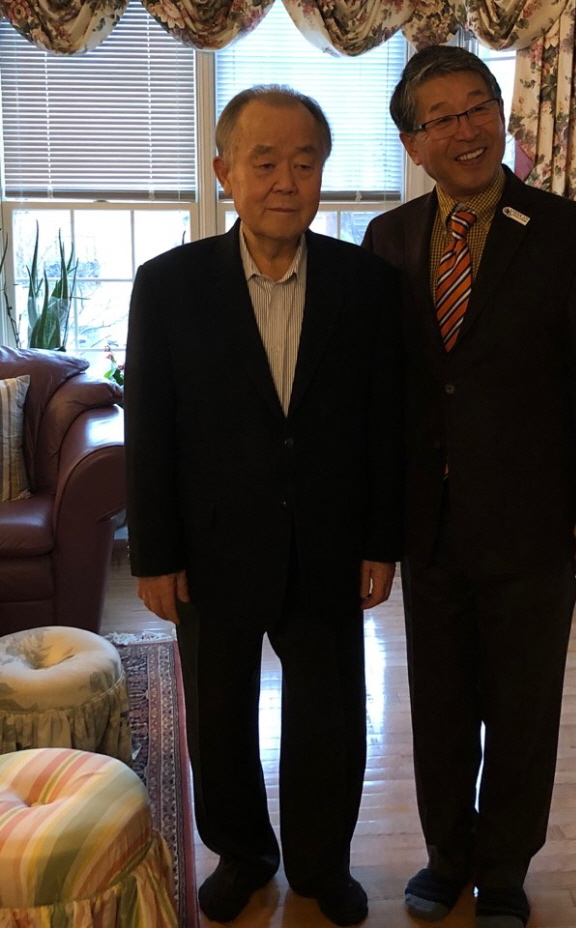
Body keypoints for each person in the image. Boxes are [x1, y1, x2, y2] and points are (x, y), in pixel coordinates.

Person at [362, 46, 576, 928]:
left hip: (533, 519)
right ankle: (447, 857)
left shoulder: (572, 233)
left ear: (502, 115)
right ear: (414, 143)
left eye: (478, 106)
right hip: (430, 523)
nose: (466, 129)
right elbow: (386, 393)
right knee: (439, 707)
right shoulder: (389, 240)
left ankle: (506, 868)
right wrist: (375, 523)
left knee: (523, 707)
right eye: (440, 117)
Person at [124, 85, 403, 927]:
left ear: (323, 174)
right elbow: (150, 429)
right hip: (212, 547)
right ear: (225, 172)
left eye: (305, 163)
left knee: (330, 716)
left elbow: (383, 424)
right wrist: (155, 555)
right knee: (219, 717)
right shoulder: (168, 286)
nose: (287, 181)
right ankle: (243, 853)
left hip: (327, 545)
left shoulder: (366, 283)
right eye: (265, 161)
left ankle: (321, 863)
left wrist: (381, 542)